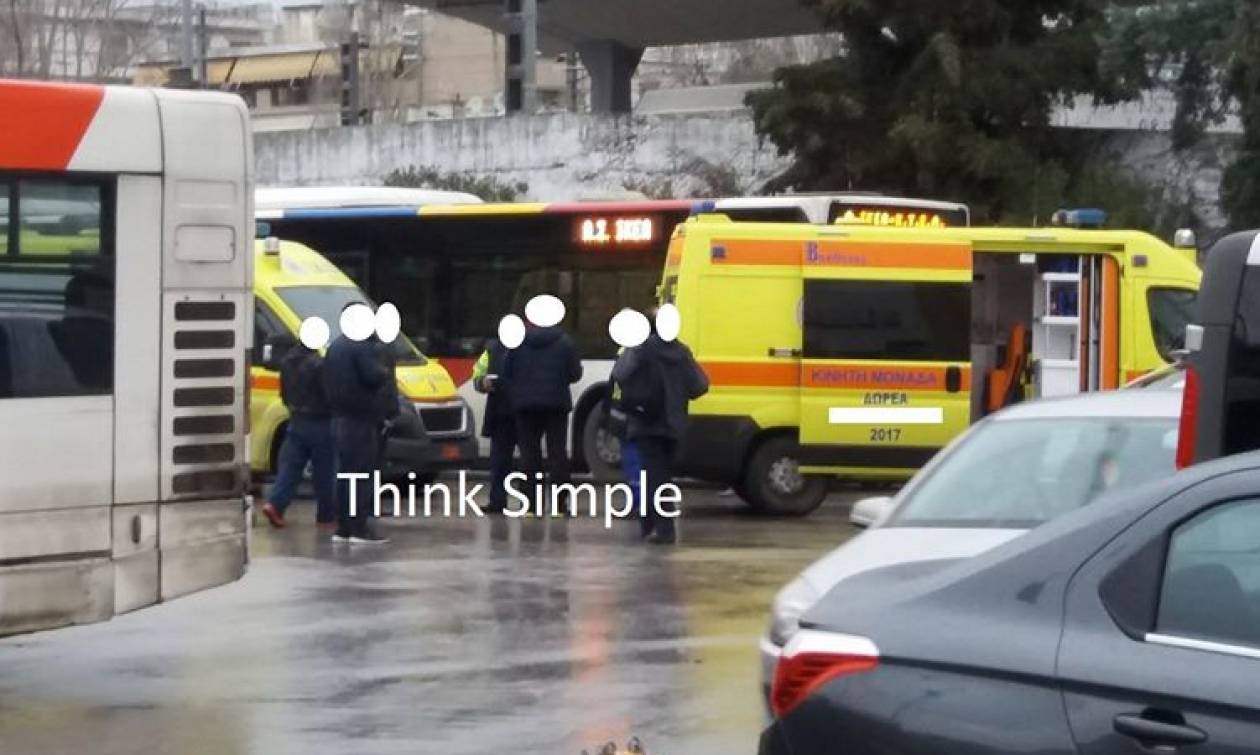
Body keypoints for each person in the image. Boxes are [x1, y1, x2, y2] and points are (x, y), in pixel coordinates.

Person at [612, 321, 709, 544]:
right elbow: (700, 385)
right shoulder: (682, 352)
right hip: (673, 424)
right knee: (660, 475)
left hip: (646, 420)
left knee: (652, 476)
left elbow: (620, 373)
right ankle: (652, 526)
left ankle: (662, 529)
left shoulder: (640, 348)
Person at [323, 306, 399, 544]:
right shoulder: (363, 347)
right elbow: (373, 376)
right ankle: (359, 528)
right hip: (361, 420)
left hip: (338, 418)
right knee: (362, 475)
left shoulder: (335, 346)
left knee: (344, 475)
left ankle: (343, 528)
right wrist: (384, 371)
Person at [502, 319, 582, 516]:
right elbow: (575, 374)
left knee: (529, 455)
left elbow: (507, 372)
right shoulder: (565, 342)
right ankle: (558, 506)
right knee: (557, 454)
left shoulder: (517, 342)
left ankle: (530, 505)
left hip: (525, 406)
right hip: (556, 405)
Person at [260, 336, 336, 530]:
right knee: (324, 472)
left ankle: (275, 504)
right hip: (320, 422)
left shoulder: (287, 362)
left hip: (296, 419)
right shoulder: (319, 365)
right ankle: (326, 517)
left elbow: (284, 394)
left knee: (290, 468)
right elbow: (329, 394)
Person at [472, 335, 515, 513]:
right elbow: (477, 373)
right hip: (501, 411)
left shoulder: (527, 347)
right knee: (499, 460)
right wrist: (482, 383)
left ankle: (527, 502)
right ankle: (498, 501)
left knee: (527, 459)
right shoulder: (492, 350)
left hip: (521, 411)